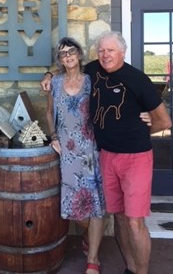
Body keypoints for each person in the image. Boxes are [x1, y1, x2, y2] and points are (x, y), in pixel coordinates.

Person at [41, 31, 172, 274]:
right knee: (117, 215)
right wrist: (48, 75)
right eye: (101, 51)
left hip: (123, 155)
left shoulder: (134, 78)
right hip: (102, 155)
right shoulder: (93, 70)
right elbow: (57, 91)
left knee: (132, 220)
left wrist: (143, 127)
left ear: (122, 52)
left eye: (110, 51)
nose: (105, 55)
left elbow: (164, 122)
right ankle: (128, 267)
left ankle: (128, 268)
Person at [46, 37, 105, 274]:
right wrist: (53, 136)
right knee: (77, 207)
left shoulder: (92, 80)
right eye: (63, 53)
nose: (68, 56)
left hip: (90, 149)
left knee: (96, 203)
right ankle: (88, 237)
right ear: (59, 60)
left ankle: (93, 258)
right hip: (67, 152)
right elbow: (50, 113)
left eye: (72, 51)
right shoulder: (56, 83)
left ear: (80, 55)